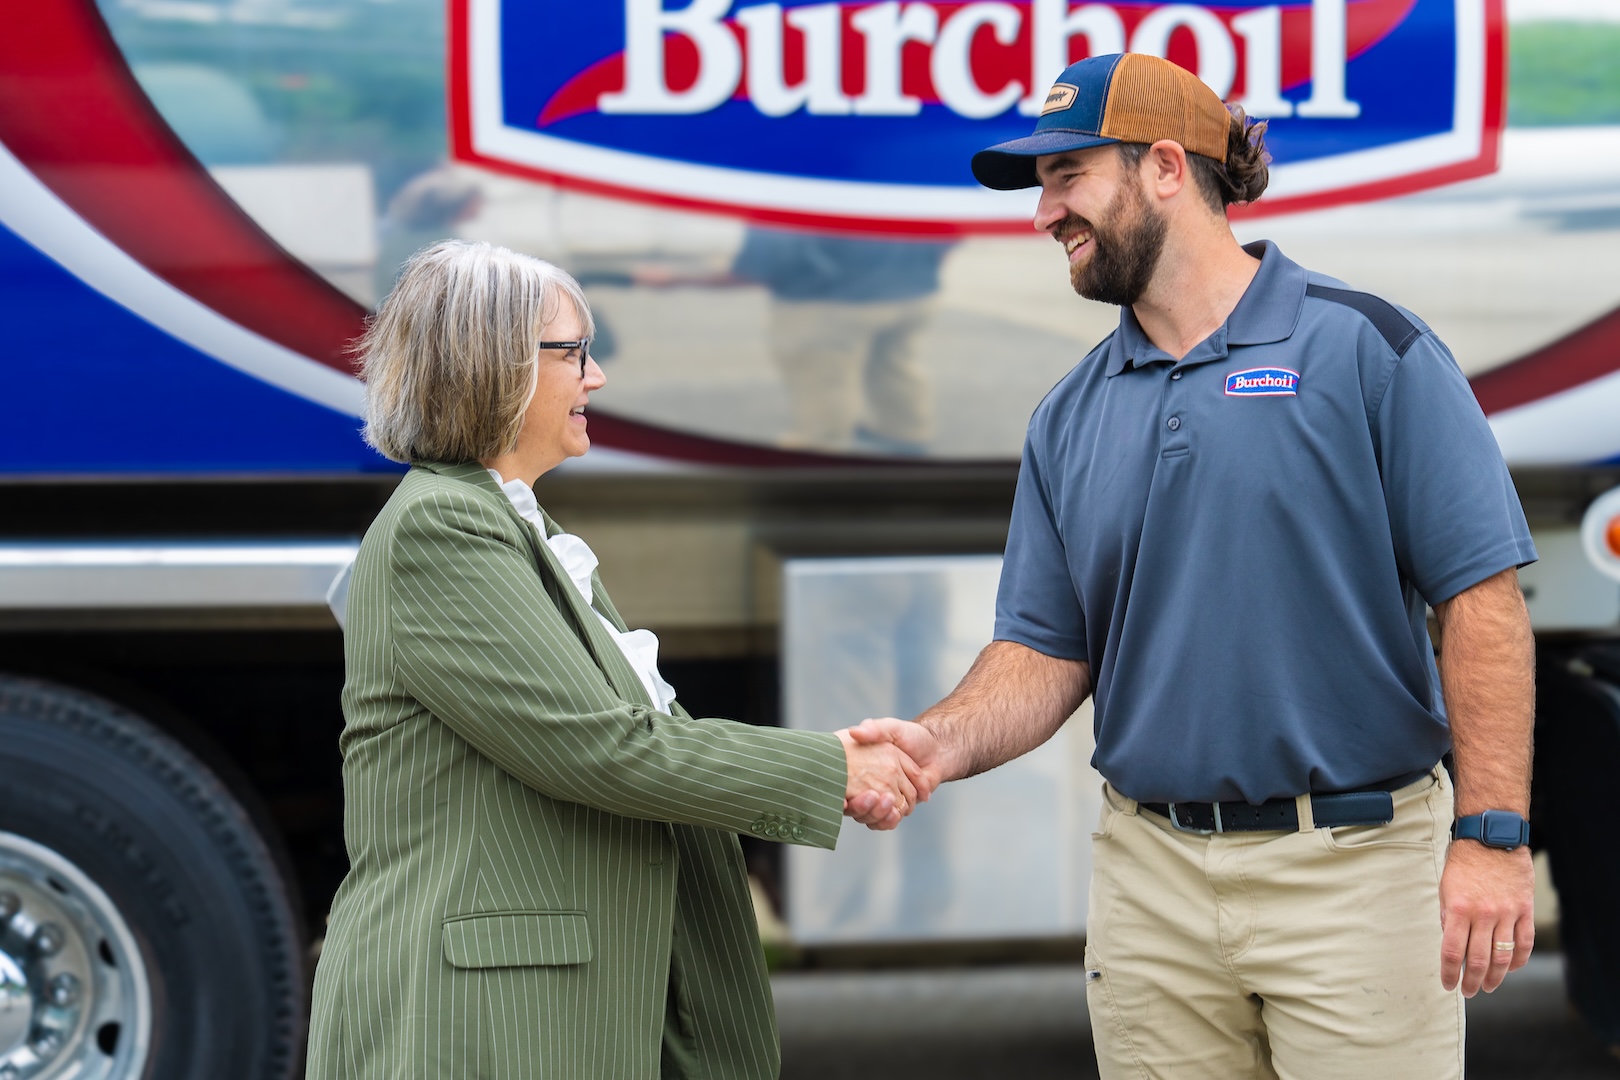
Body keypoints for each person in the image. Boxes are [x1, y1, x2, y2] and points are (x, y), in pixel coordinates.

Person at [849, 53, 1538, 1079]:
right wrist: (936, 744)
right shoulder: (1070, 414)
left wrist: (1492, 836)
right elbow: (1043, 648)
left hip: (1353, 870)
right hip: (1150, 879)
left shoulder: (1366, 349)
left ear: (1166, 167)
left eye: (1067, 175)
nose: (1045, 213)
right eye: (1041, 187)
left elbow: (1481, 599)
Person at [305, 239, 922, 1080]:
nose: (596, 378)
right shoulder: (440, 530)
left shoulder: (516, 527)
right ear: (491, 365)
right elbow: (600, 747)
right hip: (484, 1019)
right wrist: (833, 769)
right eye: (575, 354)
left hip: (530, 1006)